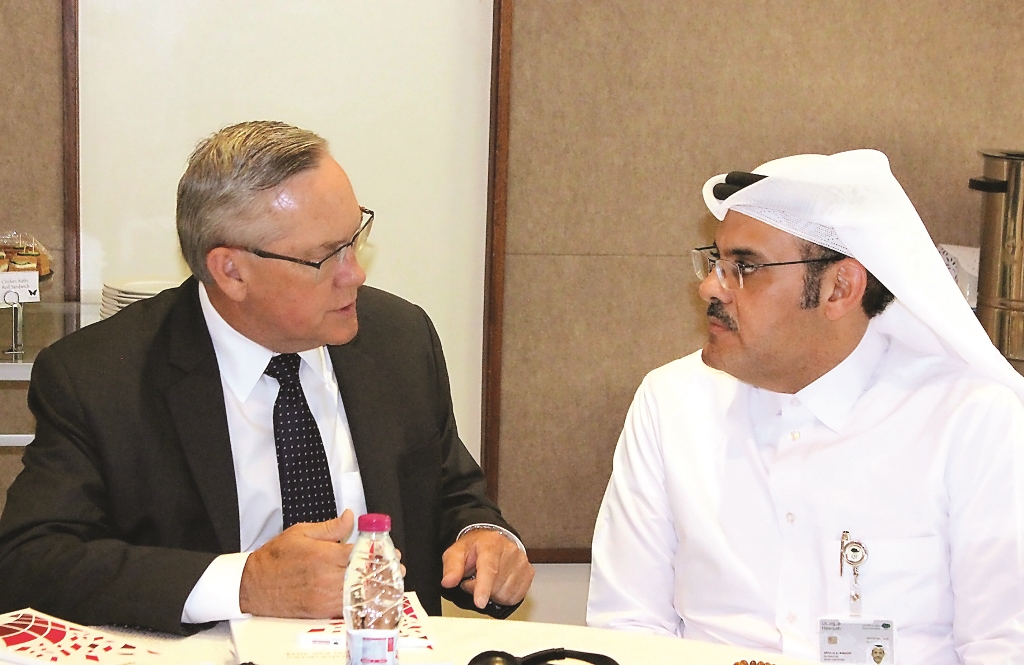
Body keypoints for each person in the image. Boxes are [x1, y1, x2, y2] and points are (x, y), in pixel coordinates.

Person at [0, 120, 533, 634]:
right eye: (326, 256)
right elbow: (32, 561)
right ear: (231, 271)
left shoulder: (398, 340)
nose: (356, 273)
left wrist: (481, 535)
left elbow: (450, 491)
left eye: (356, 238)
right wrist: (246, 583)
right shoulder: (100, 376)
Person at [587, 150, 1024, 664]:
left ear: (840, 287)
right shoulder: (671, 402)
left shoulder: (971, 419)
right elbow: (627, 628)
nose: (710, 287)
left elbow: (1004, 646)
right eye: (715, 263)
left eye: (744, 267)